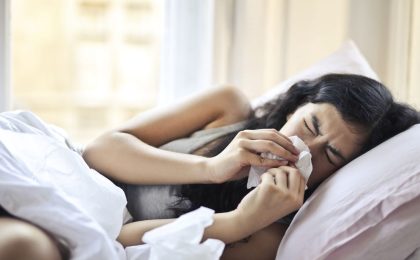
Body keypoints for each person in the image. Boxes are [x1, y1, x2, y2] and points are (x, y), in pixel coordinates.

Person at [82, 73, 420, 259]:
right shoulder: (227, 109)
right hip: (73, 183)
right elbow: (99, 151)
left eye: (330, 155)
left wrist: (238, 222)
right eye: (311, 127)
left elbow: (121, 241)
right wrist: (212, 168)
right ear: (296, 108)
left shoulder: (267, 234)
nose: (305, 150)